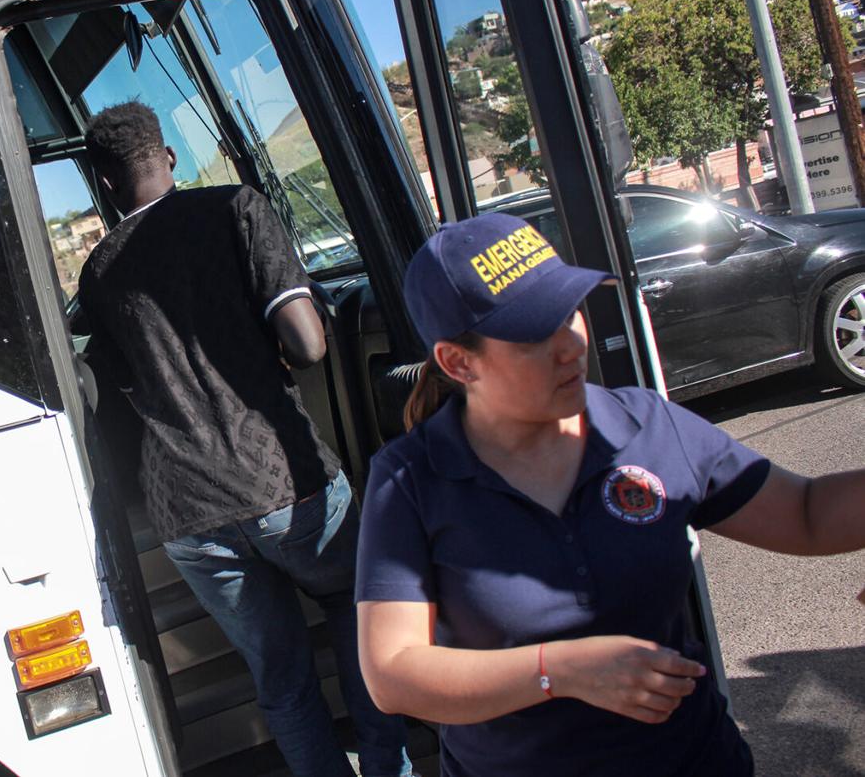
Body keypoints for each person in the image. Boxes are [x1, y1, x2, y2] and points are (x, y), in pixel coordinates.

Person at [354, 212, 865, 776]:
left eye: (571, 311)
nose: (572, 342)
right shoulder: (409, 480)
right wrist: (559, 670)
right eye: (534, 333)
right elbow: (393, 672)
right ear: (458, 361)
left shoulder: (647, 423)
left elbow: (807, 513)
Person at [75, 101, 410, 777]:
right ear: (168, 157)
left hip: (187, 513)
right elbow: (309, 343)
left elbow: (113, 394)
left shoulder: (98, 273)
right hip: (284, 481)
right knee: (353, 609)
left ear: (105, 184)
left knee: (280, 678)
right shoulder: (236, 209)